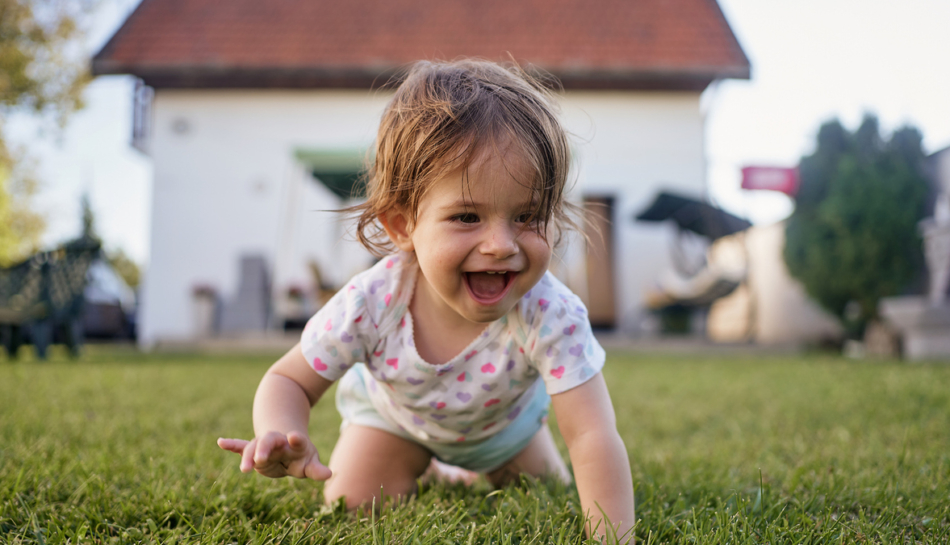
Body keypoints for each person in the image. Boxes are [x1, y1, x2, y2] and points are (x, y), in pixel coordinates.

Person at [218, 59, 635, 541]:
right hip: (395, 423)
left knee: (544, 494)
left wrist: (613, 536)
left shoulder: (550, 313)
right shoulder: (372, 303)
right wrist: (279, 429)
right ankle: (431, 466)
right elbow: (289, 378)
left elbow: (591, 436)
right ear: (402, 226)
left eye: (527, 215)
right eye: (465, 217)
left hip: (506, 430)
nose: (501, 244)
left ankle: (465, 468)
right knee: (350, 504)